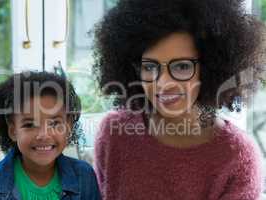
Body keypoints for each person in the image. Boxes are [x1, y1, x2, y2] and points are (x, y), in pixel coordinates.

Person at [92, 0, 266, 199]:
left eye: (182, 67)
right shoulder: (114, 134)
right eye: (149, 67)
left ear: (210, 70)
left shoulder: (237, 157)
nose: (163, 83)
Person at [0, 71, 101, 200]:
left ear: (68, 127)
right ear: (12, 130)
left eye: (54, 123)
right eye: (29, 125)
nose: (43, 135)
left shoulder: (84, 177)